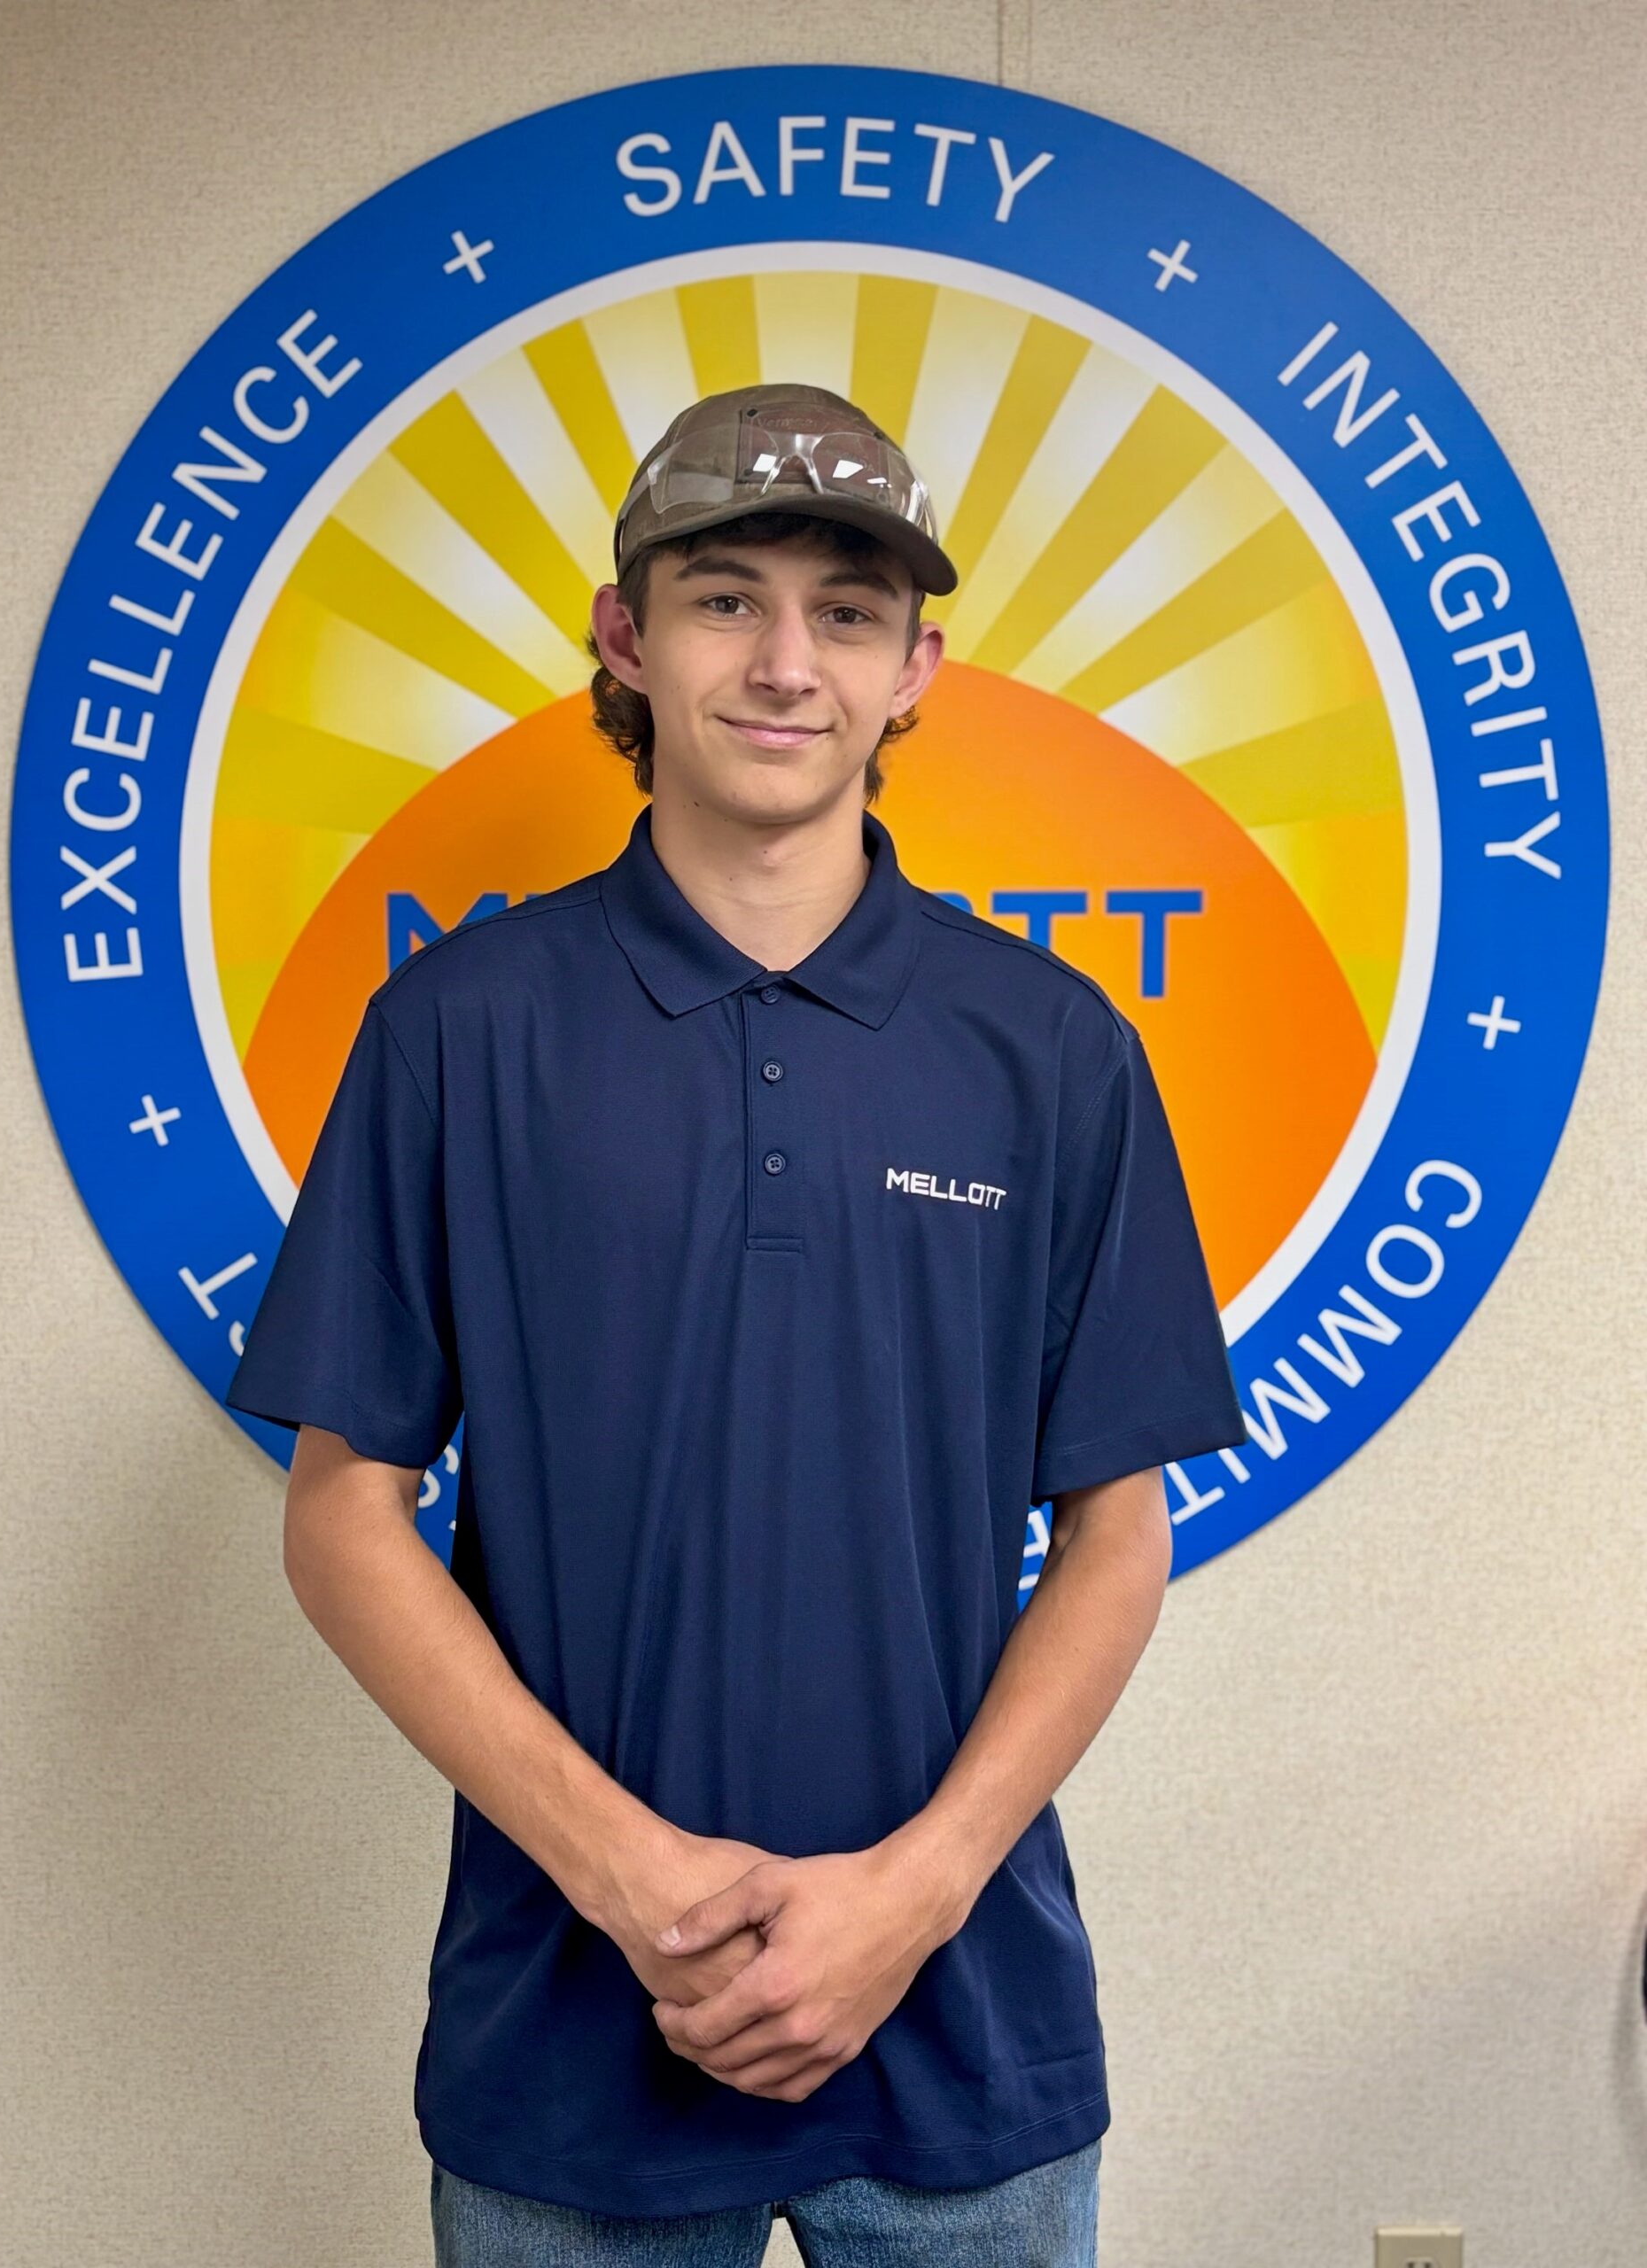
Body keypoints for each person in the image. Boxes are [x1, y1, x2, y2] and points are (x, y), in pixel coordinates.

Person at [225, 382, 1250, 2264]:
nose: (787, 663)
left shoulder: (1051, 1049)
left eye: (847, 612)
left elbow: (1118, 1533)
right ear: (625, 636)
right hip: (570, 2042)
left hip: (964, 2037)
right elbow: (342, 1513)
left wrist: (914, 1893)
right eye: (726, 600)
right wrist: (634, 1881)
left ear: (915, 668)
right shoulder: (460, 1028)